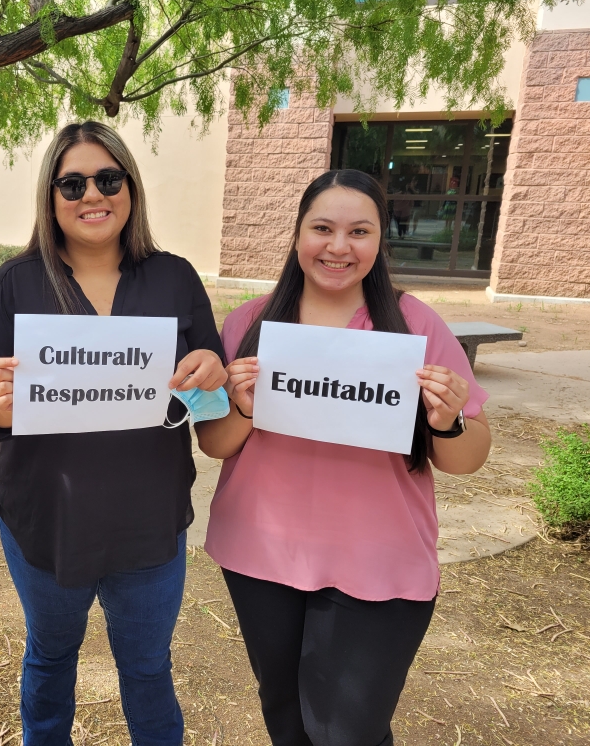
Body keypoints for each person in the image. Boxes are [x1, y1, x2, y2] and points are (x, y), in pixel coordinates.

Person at [196, 169, 491, 746]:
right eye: (322, 228)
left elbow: (467, 457)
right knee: (285, 715)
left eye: (359, 231)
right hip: (262, 556)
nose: (338, 246)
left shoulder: (414, 325)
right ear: (298, 234)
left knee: (347, 730)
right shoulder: (249, 323)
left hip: (378, 562)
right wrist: (244, 407)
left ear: (381, 240)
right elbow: (215, 444)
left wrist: (447, 421)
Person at [0, 121, 227, 745]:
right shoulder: (16, 283)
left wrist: (211, 374)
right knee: (50, 660)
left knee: (146, 670)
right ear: (51, 196)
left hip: (149, 523)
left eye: (108, 178)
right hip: (47, 522)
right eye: (73, 182)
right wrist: (1, 405)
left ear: (130, 189)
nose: (93, 194)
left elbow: (212, 405)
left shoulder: (174, 278)